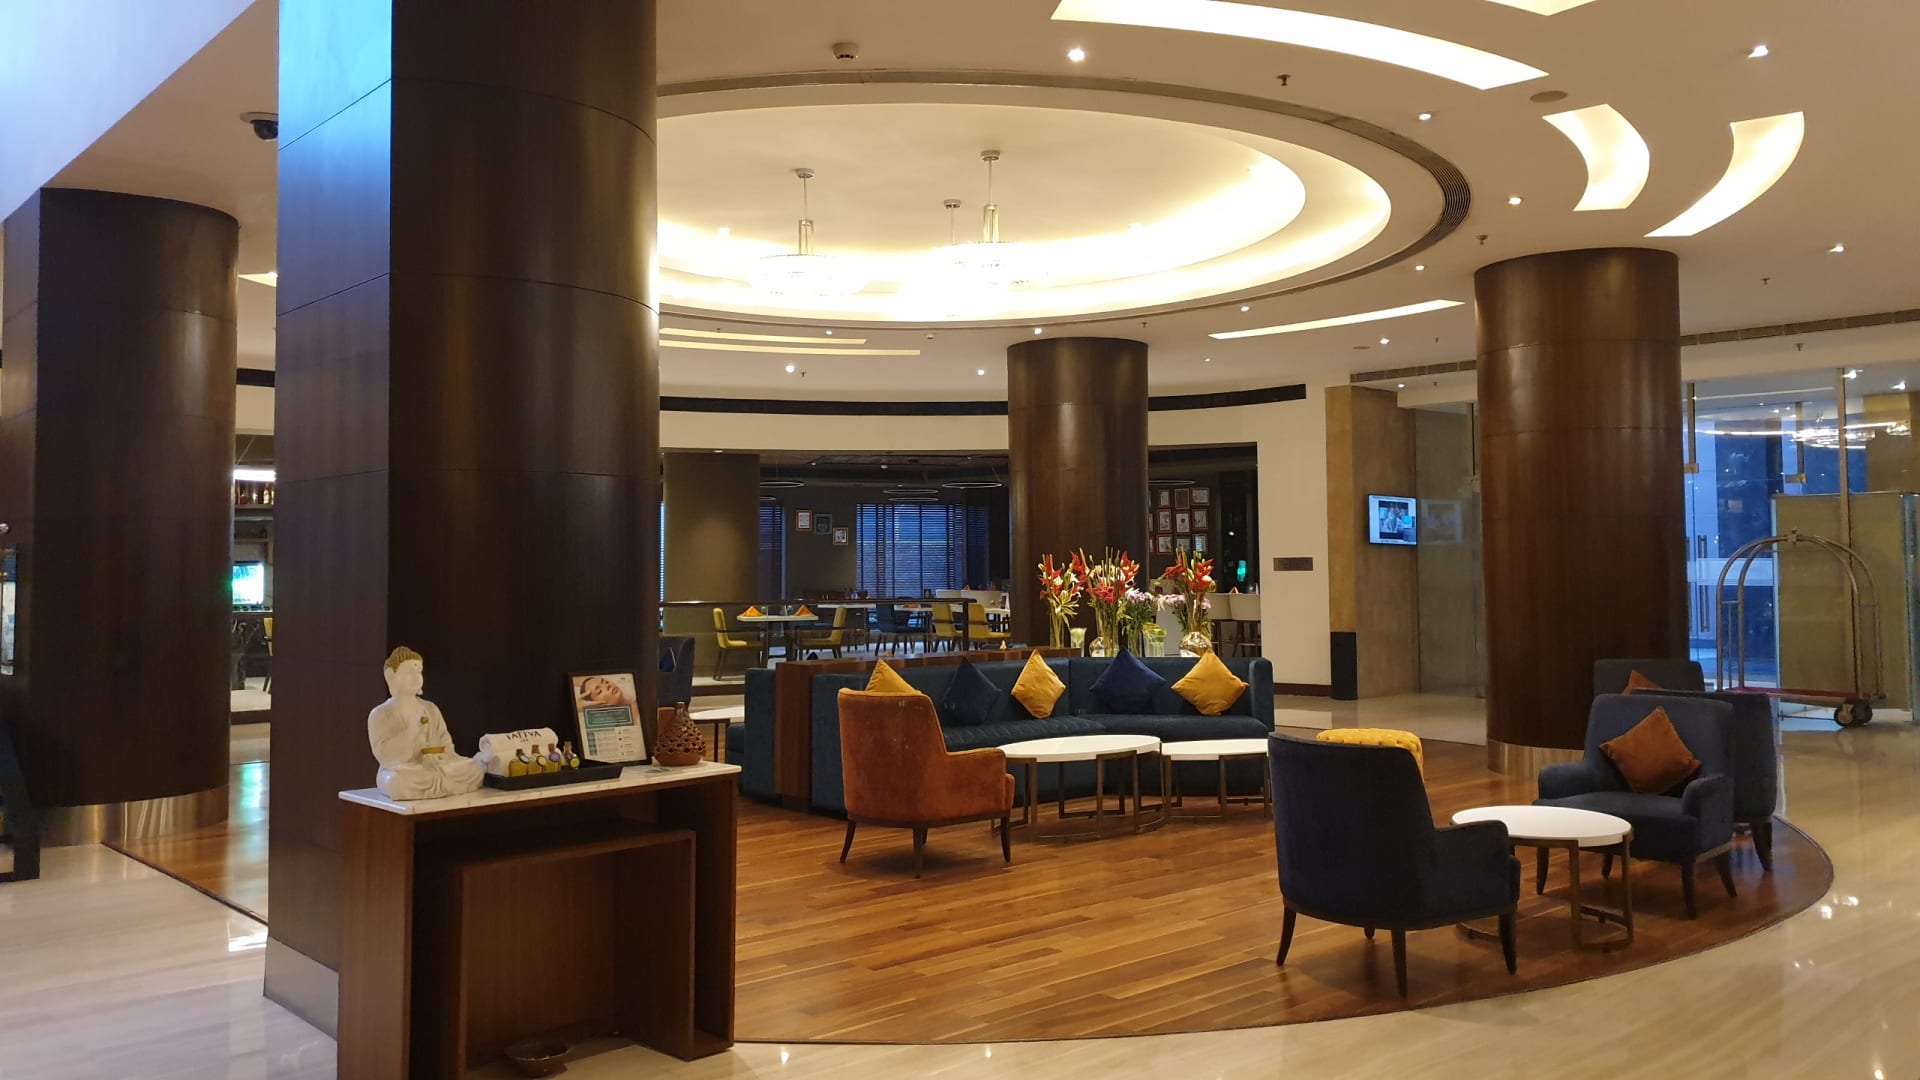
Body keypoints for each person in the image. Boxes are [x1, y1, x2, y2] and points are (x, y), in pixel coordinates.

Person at [366, 646, 485, 800]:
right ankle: (440, 784)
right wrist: (411, 731)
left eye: (419, 672)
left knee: (475, 768)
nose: (416, 677)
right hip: (407, 771)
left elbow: (446, 743)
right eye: (410, 672)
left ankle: (442, 782)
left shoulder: (430, 708)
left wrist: (442, 758)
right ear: (391, 676)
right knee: (395, 783)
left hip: (436, 767)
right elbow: (384, 754)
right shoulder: (380, 714)